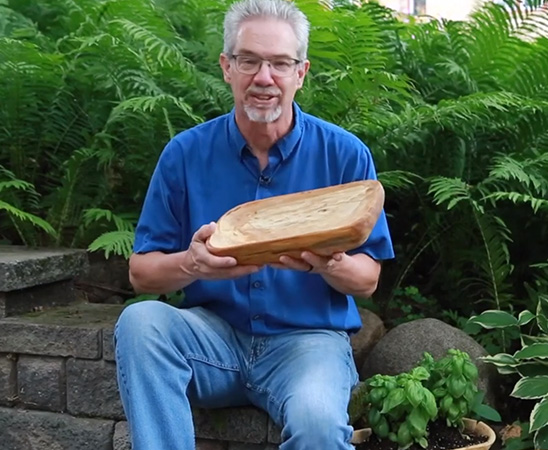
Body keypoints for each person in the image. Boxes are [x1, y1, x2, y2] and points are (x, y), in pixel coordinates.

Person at [114, 0, 395, 449]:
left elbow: (368, 280)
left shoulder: (345, 154)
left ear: (300, 73)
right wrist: (193, 263)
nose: (264, 77)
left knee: (320, 425)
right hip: (211, 343)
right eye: (249, 61)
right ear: (227, 67)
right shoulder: (185, 154)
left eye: (280, 63)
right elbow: (141, 273)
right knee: (140, 321)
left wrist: (329, 263)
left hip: (307, 345)